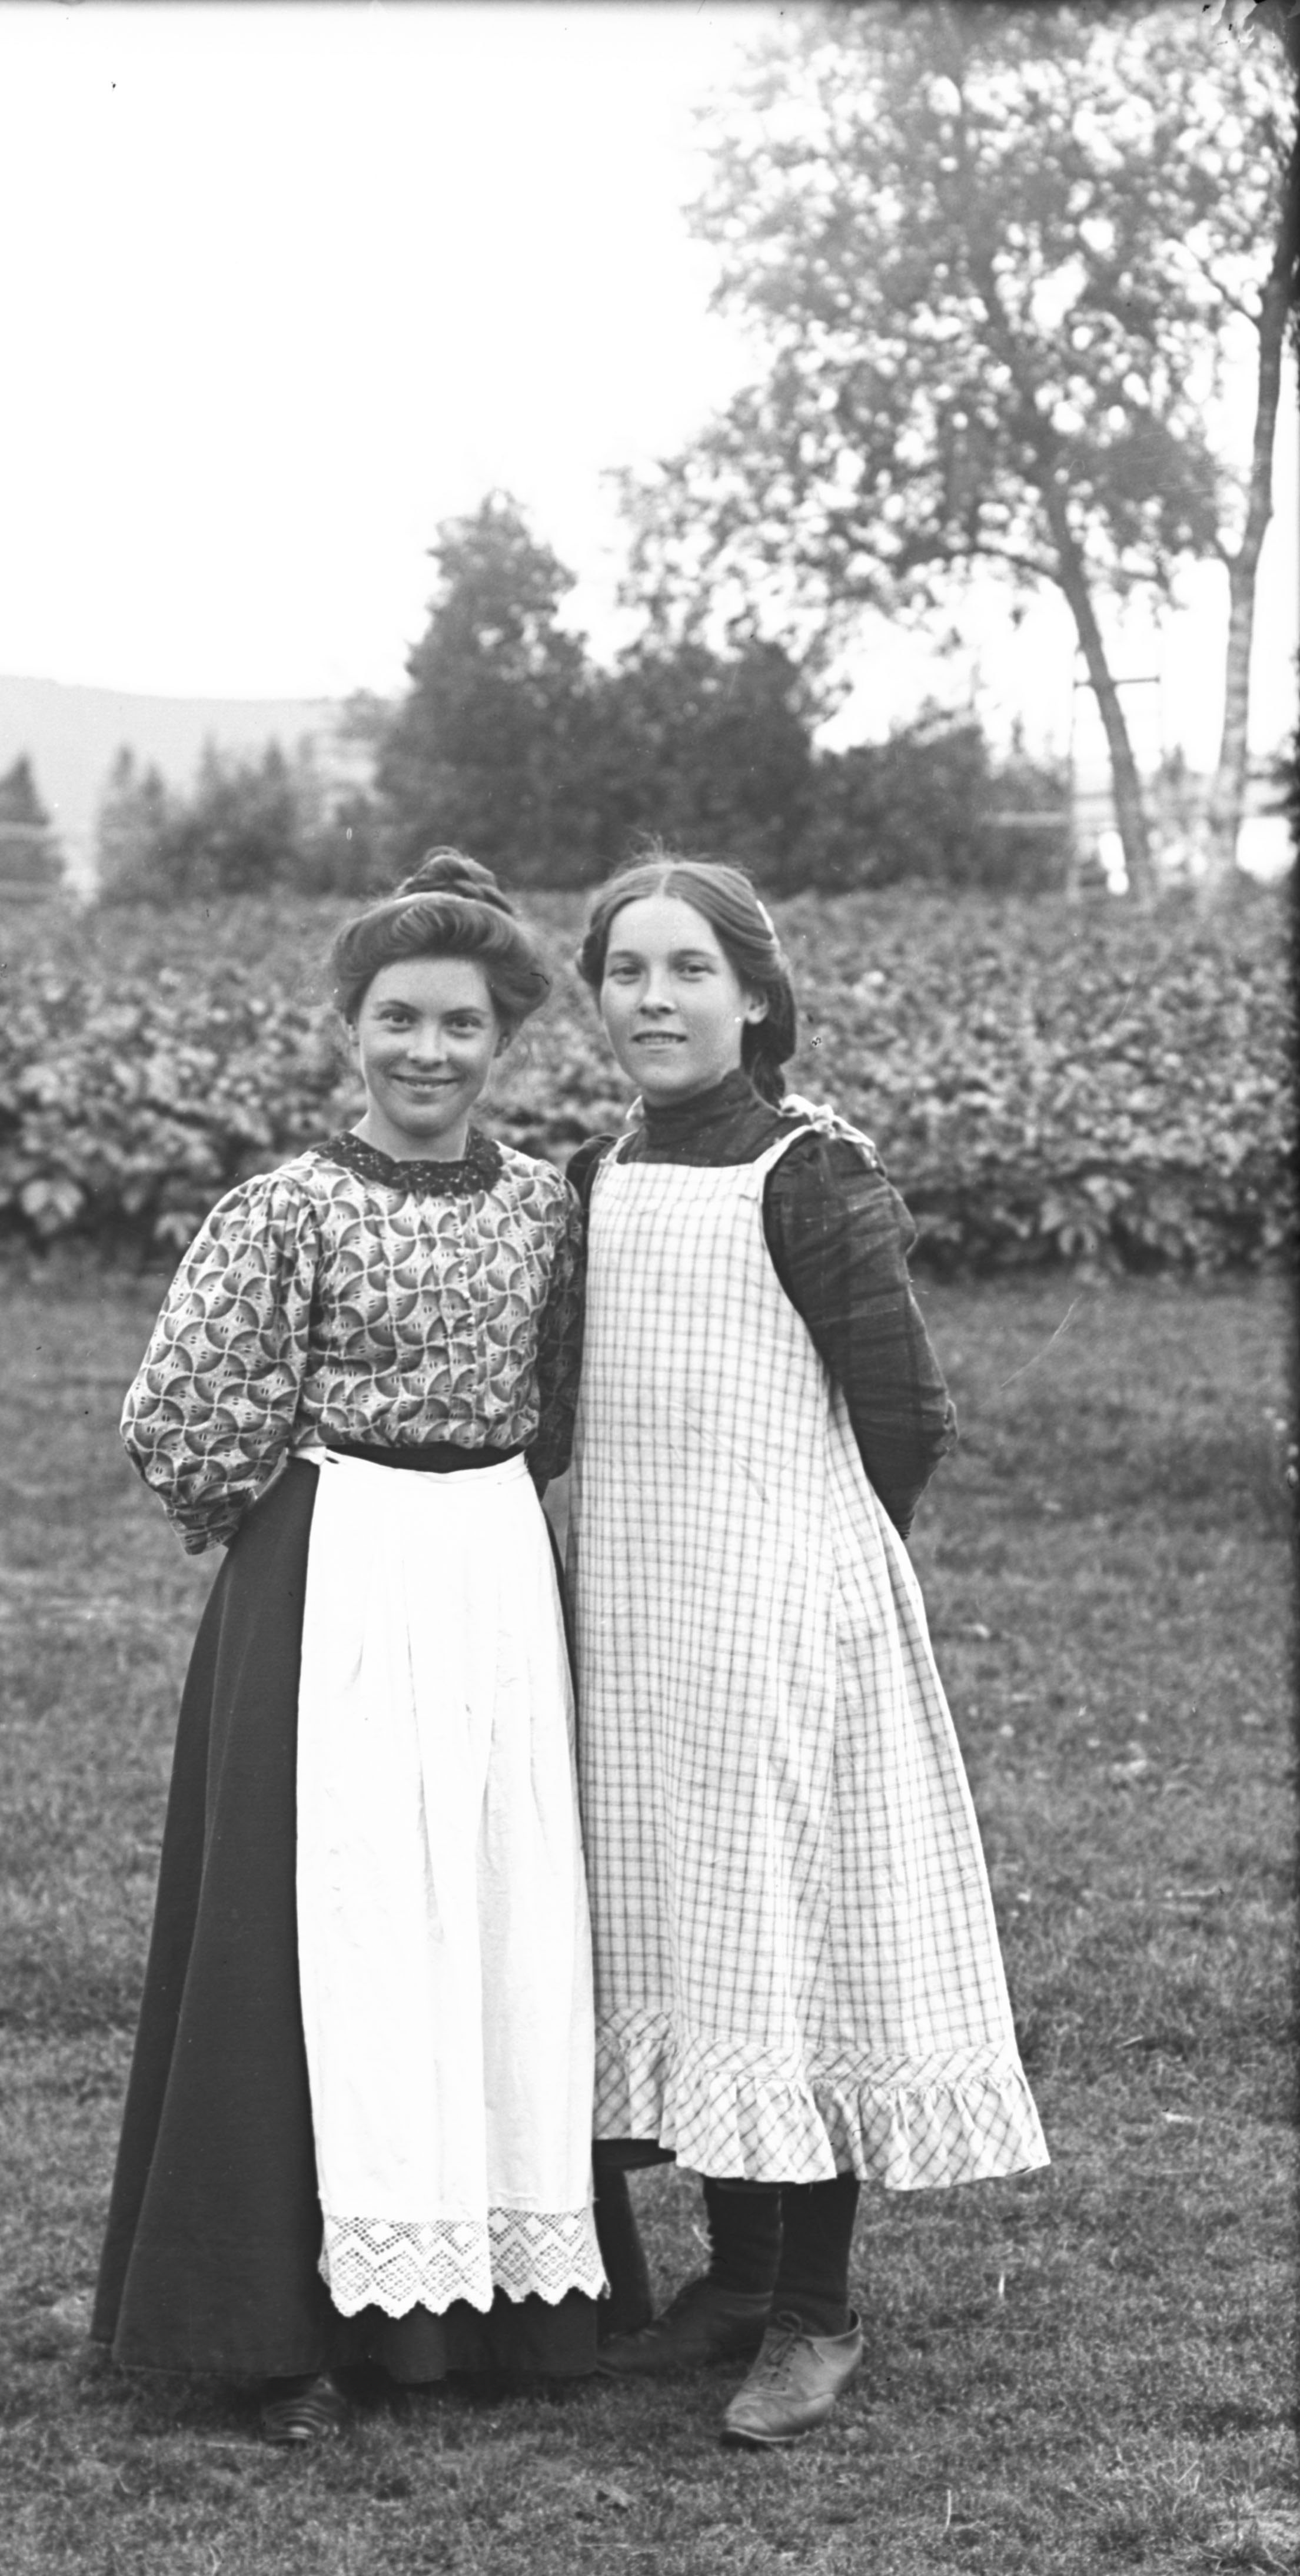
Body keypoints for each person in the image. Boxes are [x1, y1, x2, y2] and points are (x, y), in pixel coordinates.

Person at [91, 849, 616, 2442]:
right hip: (334, 1570)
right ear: (349, 1028)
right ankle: (287, 2322)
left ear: (503, 1039)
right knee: (336, 1916)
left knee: (496, 1897)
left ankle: (496, 2298)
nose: (427, 1052)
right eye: (398, 1019)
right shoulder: (286, 1210)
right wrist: (301, 1521)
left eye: (460, 1025)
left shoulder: (543, 1206)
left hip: (492, 1566)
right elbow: (180, 1416)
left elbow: (556, 1400)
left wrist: (482, 1508)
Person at [568, 857, 1048, 2448]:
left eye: (688, 970)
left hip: (774, 1614)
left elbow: (908, 1411)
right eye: (626, 972)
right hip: (637, 1614)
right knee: (694, 1923)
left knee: (787, 1935)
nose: (654, 1000)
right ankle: (733, 2279)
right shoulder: (596, 1174)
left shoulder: (808, 1171)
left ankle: (814, 2310)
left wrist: (811, 1567)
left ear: (755, 996)